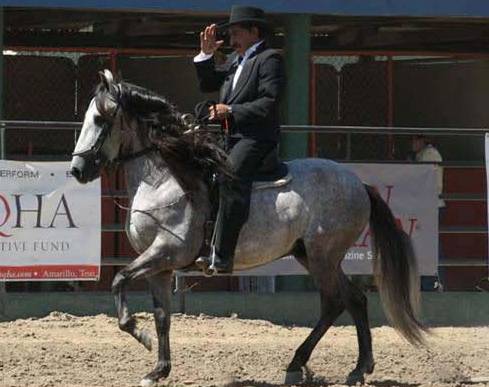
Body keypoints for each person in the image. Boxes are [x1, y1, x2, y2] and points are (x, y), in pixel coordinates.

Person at [193, 5, 285, 273]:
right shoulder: (236, 60)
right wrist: (206, 54)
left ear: (254, 31)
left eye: (236, 33)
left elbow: (270, 102)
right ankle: (203, 243)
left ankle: (222, 255)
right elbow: (208, 83)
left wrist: (230, 110)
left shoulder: (270, 59)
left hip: (256, 137)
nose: (231, 39)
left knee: (229, 176)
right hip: (230, 137)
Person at [411, 135, 445, 291]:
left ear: (423, 141)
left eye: (415, 140)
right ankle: (427, 282)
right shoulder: (422, 155)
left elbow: (433, 184)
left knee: (430, 246)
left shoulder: (430, 155)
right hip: (426, 206)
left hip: (430, 207)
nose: (412, 143)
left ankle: (432, 283)